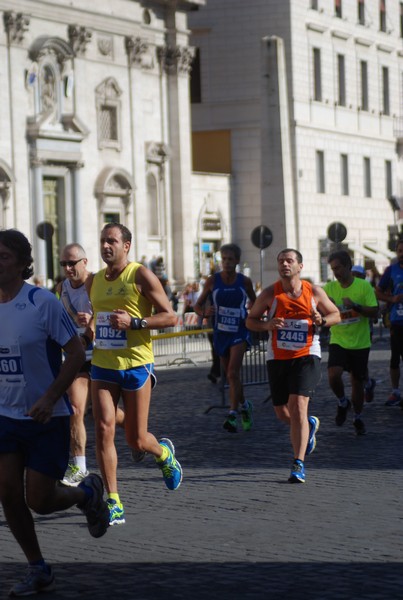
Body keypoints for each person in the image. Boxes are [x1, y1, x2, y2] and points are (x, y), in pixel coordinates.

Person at [0, 229, 109, 597]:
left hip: (48, 416)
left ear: (20, 264)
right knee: (8, 492)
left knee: (40, 501)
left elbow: (76, 354)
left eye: (3, 257)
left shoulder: (42, 302)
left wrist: (49, 397)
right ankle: (38, 568)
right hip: (6, 416)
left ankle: (86, 494)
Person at [84, 222, 181, 527]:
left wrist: (135, 323)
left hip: (137, 364)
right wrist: (89, 324)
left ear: (126, 245)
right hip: (104, 365)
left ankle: (163, 453)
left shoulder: (140, 274)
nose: (105, 246)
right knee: (102, 427)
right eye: (102, 241)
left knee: (137, 440)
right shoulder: (94, 281)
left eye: (111, 241)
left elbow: (171, 316)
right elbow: (99, 321)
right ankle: (114, 500)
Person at [246, 248, 340, 483]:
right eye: (281, 261)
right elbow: (250, 320)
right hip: (277, 357)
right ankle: (307, 426)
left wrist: (322, 320)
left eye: (289, 261)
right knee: (282, 412)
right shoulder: (270, 294)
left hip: (306, 354)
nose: (284, 265)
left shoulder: (313, 292)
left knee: (298, 406)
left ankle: (298, 463)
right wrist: (267, 325)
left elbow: (336, 314)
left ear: (300, 266)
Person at [194, 243, 256, 432]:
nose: (227, 263)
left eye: (230, 259)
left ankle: (231, 414)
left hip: (239, 331)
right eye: (224, 259)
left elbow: (255, 301)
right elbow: (197, 306)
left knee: (231, 373)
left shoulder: (244, 281)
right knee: (232, 377)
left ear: (237, 261)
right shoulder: (212, 281)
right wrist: (206, 311)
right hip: (221, 332)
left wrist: (251, 313)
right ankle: (245, 406)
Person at [323, 251, 379, 435]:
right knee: (333, 374)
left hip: (360, 343)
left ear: (348, 266)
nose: (335, 272)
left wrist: (355, 306)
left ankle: (357, 416)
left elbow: (374, 312)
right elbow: (319, 309)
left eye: (338, 268)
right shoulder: (329, 288)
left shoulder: (363, 286)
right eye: (332, 269)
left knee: (357, 382)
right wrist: (324, 308)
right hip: (338, 339)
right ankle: (342, 402)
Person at [56, 244, 95, 485]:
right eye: (64, 265)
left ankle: (140, 437)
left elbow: (105, 313)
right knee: (75, 408)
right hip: (79, 356)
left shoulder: (96, 284)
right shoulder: (61, 288)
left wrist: (91, 325)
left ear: (85, 262)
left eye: (72, 263)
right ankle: (79, 465)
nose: (68, 268)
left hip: (104, 355)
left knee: (106, 414)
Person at [375, 239, 403, 406]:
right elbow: (378, 292)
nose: (402, 254)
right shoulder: (391, 271)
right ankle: (395, 391)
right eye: (400, 251)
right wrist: (391, 298)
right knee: (395, 357)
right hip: (397, 321)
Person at [351, 265, 377, 402]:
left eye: (358, 275)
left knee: (360, 363)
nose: (355, 277)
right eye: (352, 274)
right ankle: (367, 383)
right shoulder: (346, 287)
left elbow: (374, 310)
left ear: (363, 276)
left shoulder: (367, 289)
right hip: (346, 333)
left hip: (364, 331)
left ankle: (364, 385)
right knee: (351, 365)